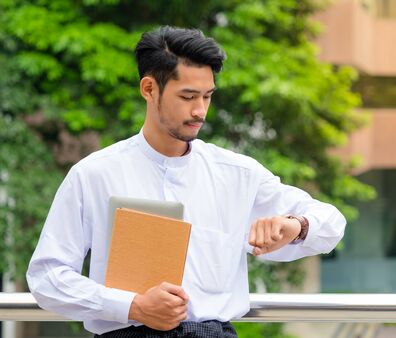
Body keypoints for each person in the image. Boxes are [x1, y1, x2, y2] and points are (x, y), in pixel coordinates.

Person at [26, 26, 346, 338]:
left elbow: (331, 223)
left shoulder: (237, 173)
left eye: (207, 96)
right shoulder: (93, 174)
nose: (200, 110)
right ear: (149, 89)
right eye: (188, 96)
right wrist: (132, 306)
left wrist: (296, 225)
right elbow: (47, 277)